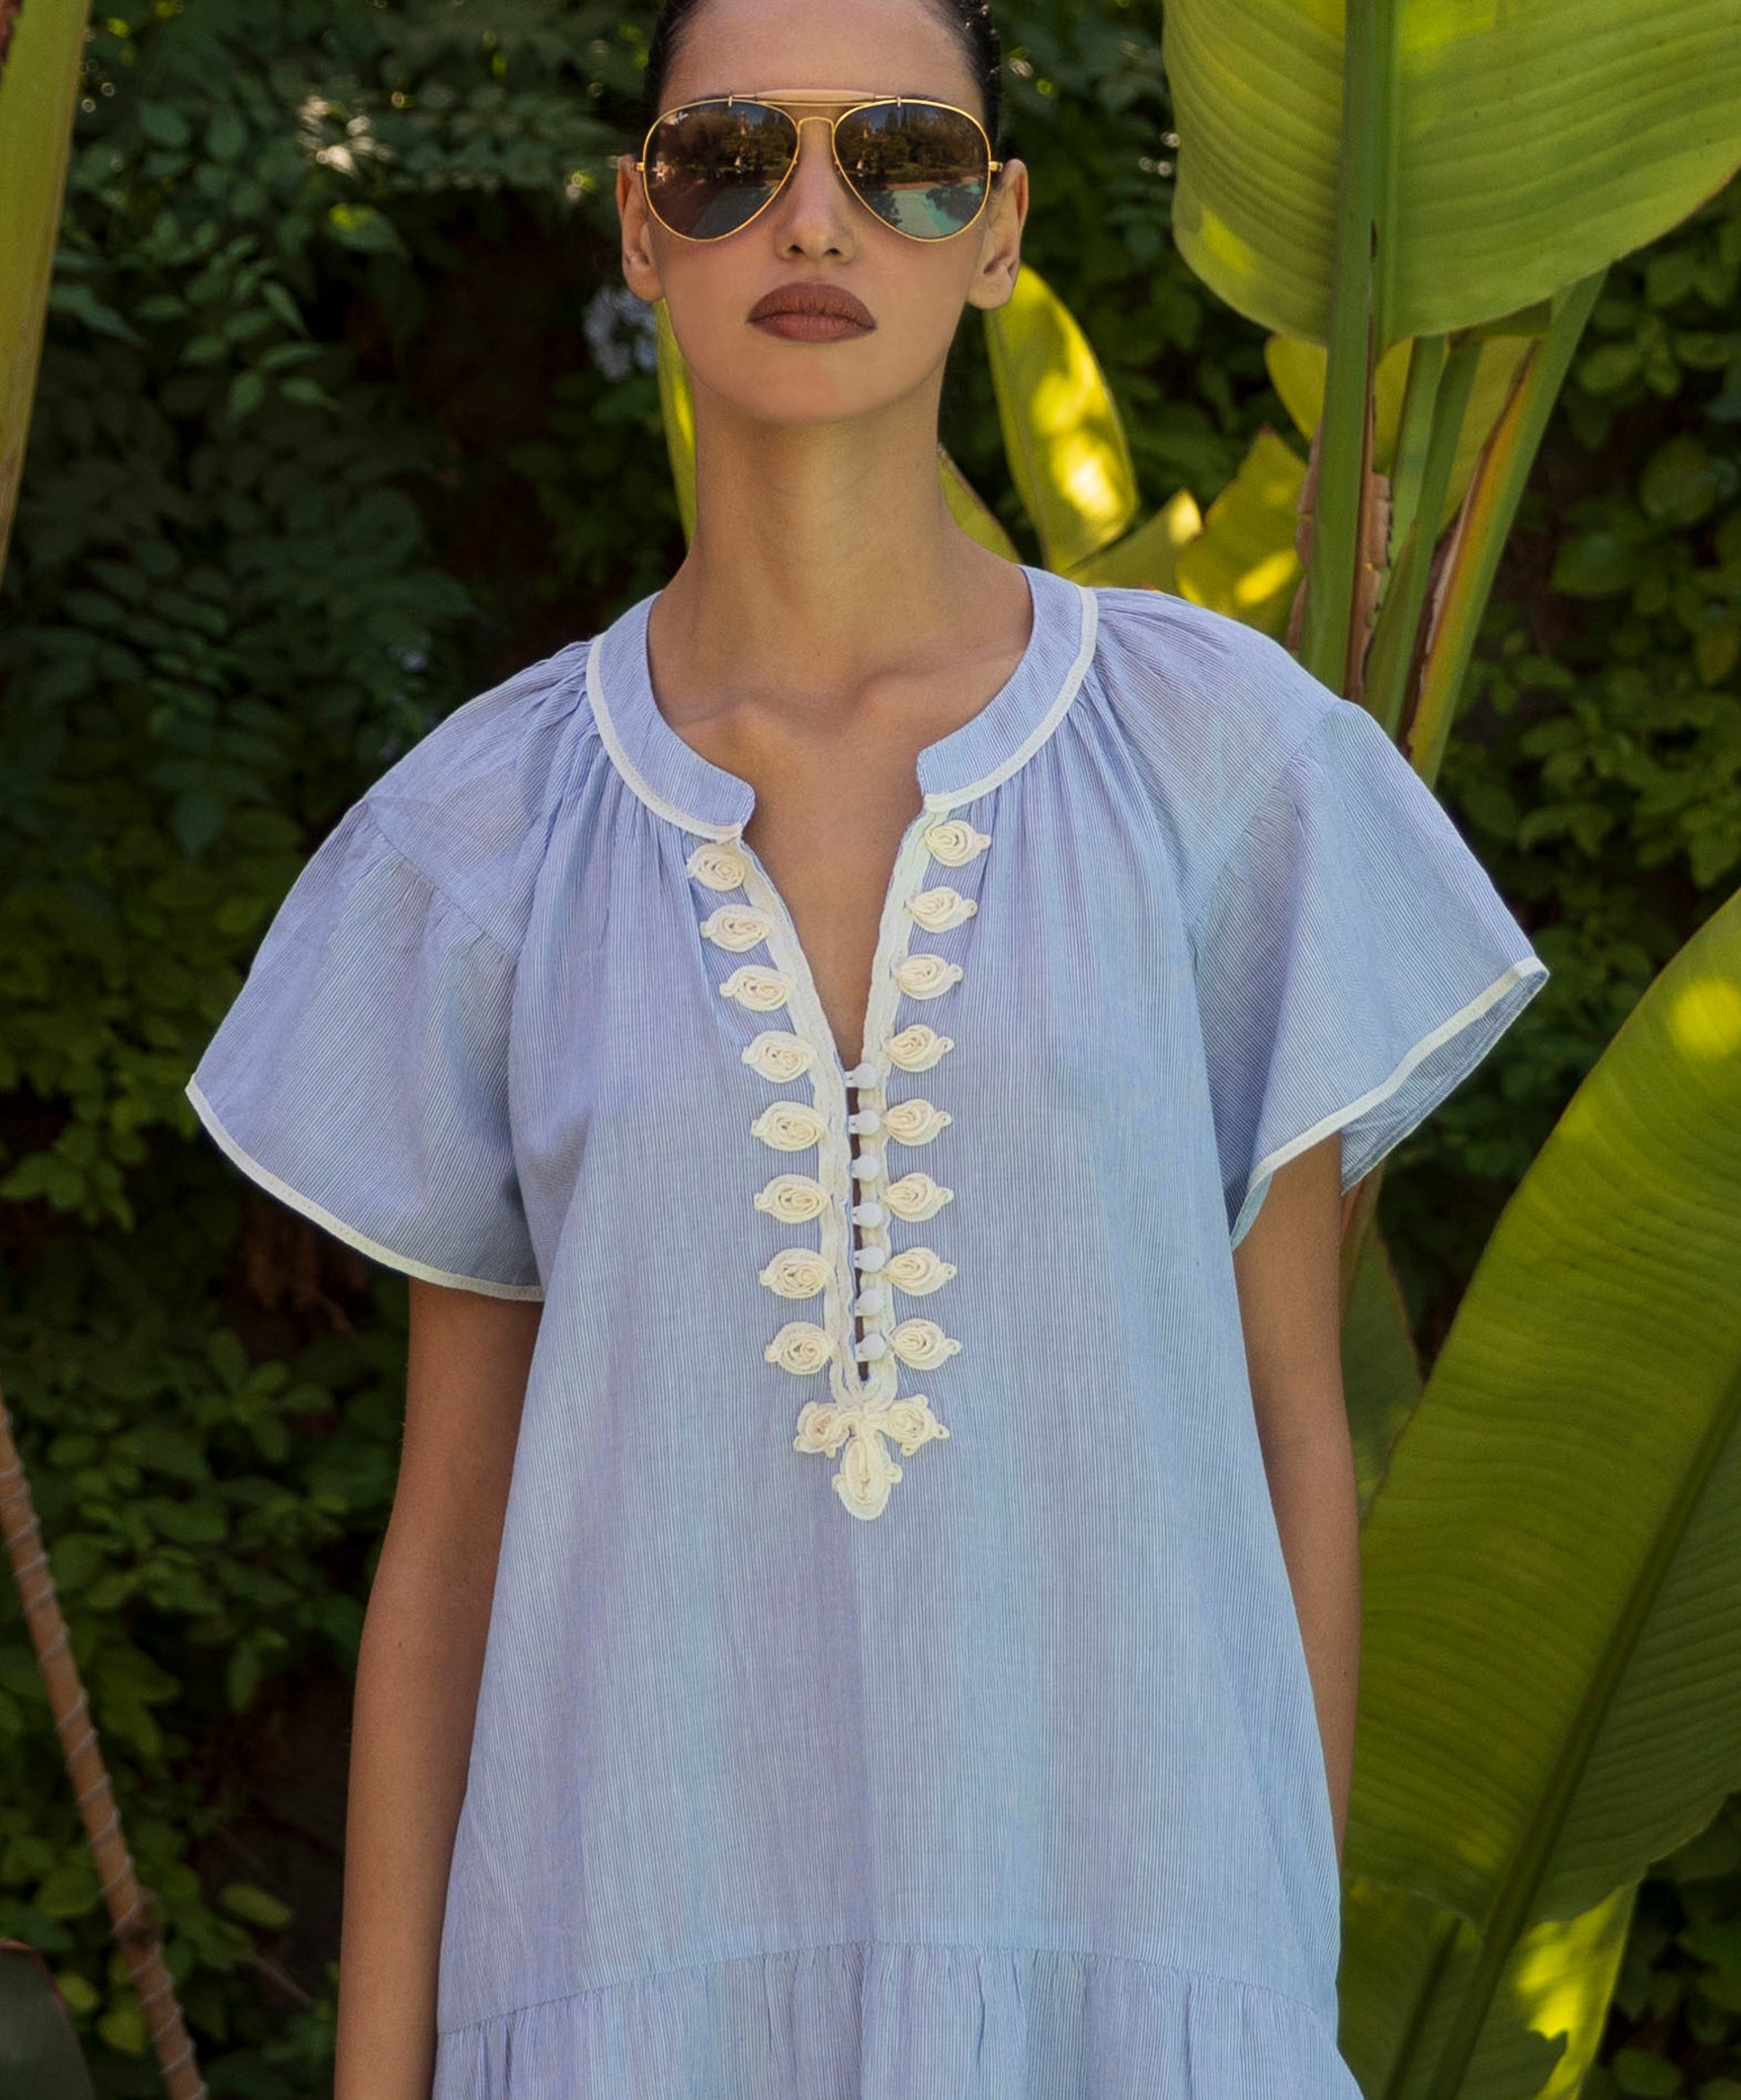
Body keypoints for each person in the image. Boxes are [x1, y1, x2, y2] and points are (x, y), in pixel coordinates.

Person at [183, 0, 1550, 2092]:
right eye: (727, 158)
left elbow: (1291, 1436)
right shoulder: (484, 841)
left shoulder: (1223, 772)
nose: (810, 213)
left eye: (898, 153)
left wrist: (1259, 1996)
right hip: (620, 1973)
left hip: (1124, 1988)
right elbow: (446, 1544)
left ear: (993, 228)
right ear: (640, 231)